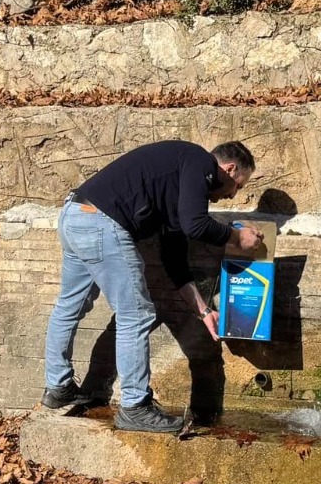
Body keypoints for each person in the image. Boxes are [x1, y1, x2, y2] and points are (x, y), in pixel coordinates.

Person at [43, 140, 262, 433]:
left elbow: (174, 259)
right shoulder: (199, 162)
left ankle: (58, 387)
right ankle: (135, 407)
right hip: (101, 223)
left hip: (75, 214)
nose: (233, 194)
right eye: (238, 185)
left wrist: (203, 311)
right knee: (135, 314)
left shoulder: (178, 179)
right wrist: (237, 238)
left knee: (71, 305)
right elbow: (196, 225)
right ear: (229, 168)